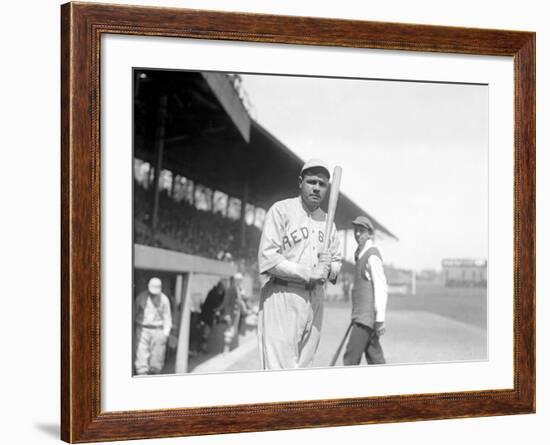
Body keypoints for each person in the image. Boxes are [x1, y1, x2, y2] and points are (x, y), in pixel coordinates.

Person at [257, 159, 343, 369]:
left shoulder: (328, 222)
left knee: (305, 371)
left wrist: (329, 267)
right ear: (300, 182)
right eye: (311, 182)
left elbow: (337, 264)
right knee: (279, 372)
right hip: (282, 294)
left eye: (322, 185)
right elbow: (268, 257)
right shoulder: (281, 210)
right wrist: (308, 272)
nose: (316, 188)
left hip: (315, 299)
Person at [343, 216, 388, 366]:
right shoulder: (360, 253)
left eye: (361, 231)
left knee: (350, 360)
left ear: (369, 233)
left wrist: (380, 318)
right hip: (362, 317)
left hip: (365, 320)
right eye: (356, 230)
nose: (357, 234)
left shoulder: (372, 255)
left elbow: (381, 287)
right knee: (376, 359)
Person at [134, 277, 173, 375]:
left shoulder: (164, 300)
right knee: (141, 357)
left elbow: (167, 317)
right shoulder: (141, 297)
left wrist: (166, 333)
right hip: (142, 329)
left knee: (157, 359)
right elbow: (134, 312)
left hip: (158, 330)